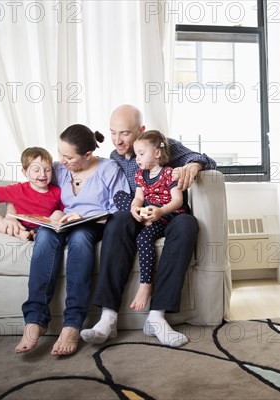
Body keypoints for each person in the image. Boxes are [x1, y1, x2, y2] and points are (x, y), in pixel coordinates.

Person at [81, 104, 216, 348]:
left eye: (124, 133)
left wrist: (193, 166)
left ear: (141, 130)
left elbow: (206, 159)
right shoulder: (115, 158)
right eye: (112, 133)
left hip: (170, 214)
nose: (117, 141)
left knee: (188, 224)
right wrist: (133, 207)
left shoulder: (162, 145)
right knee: (119, 219)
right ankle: (108, 317)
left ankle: (157, 316)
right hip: (139, 214)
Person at [16, 124, 130, 356]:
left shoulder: (109, 169)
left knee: (79, 240)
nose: (61, 161)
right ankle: (35, 319)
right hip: (62, 224)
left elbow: (123, 207)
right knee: (45, 235)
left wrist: (85, 216)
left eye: (68, 157)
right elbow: (27, 190)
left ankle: (72, 324)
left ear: (88, 155)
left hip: (93, 226)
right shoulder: (58, 169)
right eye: (59, 154)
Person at [126, 130, 186, 311]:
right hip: (149, 211)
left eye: (142, 154)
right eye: (136, 154)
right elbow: (138, 197)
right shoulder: (139, 175)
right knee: (121, 199)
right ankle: (143, 220)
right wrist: (134, 207)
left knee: (143, 238)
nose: (137, 158)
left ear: (157, 153)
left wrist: (161, 211)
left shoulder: (169, 173)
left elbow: (178, 201)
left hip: (167, 213)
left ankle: (146, 283)